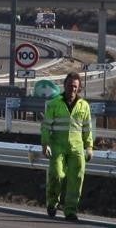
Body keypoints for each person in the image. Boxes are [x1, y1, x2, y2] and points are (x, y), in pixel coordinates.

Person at [40, 72, 93, 222]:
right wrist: (45, 144)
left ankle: (71, 210)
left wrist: (89, 146)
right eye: (70, 86)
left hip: (76, 148)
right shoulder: (54, 104)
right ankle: (52, 202)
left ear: (79, 88)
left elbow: (87, 129)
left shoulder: (84, 106)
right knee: (57, 175)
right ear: (65, 86)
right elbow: (45, 127)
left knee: (76, 179)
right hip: (57, 147)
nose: (72, 89)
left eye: (75, 86)